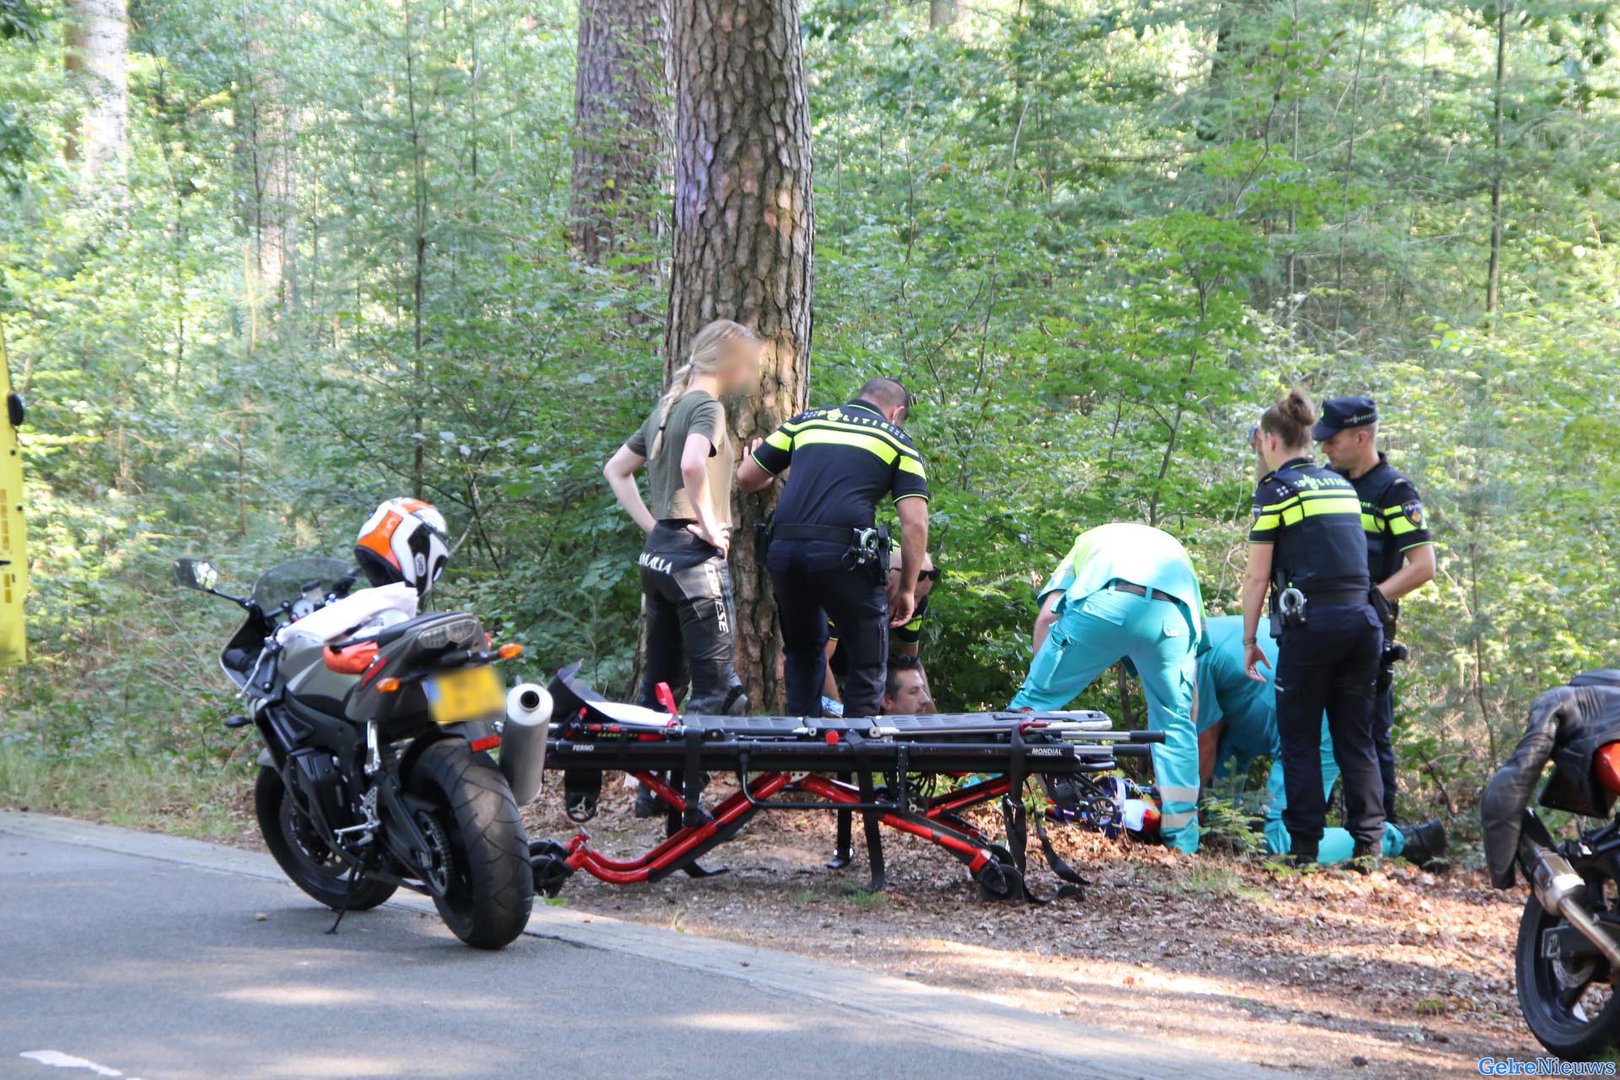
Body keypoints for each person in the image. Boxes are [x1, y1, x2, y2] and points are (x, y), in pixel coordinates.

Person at [1241, 389, 1385, 866]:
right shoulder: (1341, 484)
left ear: (1268, 441)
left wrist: (1248, 639)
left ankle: (1304, 847)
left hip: (1314, 626)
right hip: (1363, 625)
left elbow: (1258, 574)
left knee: (1299, 735)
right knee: (1354, 737)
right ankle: (1370, 845)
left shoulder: (1276, 491)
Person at [737, 378, 930, 720]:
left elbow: (748, 477)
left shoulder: (804, 422)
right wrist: (908, 588)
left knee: (803, 652)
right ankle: (857, 754)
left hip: (785, 552)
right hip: (845, 556)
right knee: (868, 660)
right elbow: (914, 523)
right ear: (896, 412)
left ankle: (801, 747)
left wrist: (769, 473)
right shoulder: (897, 440)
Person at [1008, 522, 1206, 854]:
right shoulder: (1176, 552)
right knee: (1175, 727)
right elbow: (1192, 681)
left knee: (1031, 705)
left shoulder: (1087, 543)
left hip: (1107, 604)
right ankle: (1183, 842)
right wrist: (1182, 720)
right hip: (1172, 617)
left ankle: (986, 790)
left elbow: (1047, 617)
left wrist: (1041, 686)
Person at [603, 319, 763, 716]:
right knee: (721, 694)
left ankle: (649, 779)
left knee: (660, 691)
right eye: (747, 366)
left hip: (658, 557)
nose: (748, 376)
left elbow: (615, 469)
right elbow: (693, 464)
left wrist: (653, 526)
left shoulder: (667, 408)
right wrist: (710, 526)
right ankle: (690, 779)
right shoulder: (707, 407)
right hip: (694, 560)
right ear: (729, 365)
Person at [1197, 615, 1446, 867]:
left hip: (1318, 728)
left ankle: (1406, 840)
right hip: (1292, 712)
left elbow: (1202, 745)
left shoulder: (1197, 657)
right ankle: (1223, 834)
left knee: (1283, 841)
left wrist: (1180, 812)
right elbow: (1212, 739)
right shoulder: (1205, 633)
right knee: (1218, 817)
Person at [1316, 396, 1436, 823]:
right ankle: (1316, 827)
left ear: (1361, 436)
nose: (1325, 448)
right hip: (1319, 628)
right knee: (1313, 730)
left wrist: (1370, 603)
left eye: (1332, 440)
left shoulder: (1394, 490)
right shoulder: (1326, 481)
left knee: (1368, 734)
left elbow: (1423, 567)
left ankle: (1380, 834)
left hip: (1369, 634)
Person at [823, 553, 940, 715]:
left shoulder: (915, 605)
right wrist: (838, 714)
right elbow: (820, 659)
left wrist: (931, 719)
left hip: (865, 653)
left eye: (921, 598)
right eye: (913, 596)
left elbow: (910, 661)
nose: (914, 605)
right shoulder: (850, 588)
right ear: (889, 582)